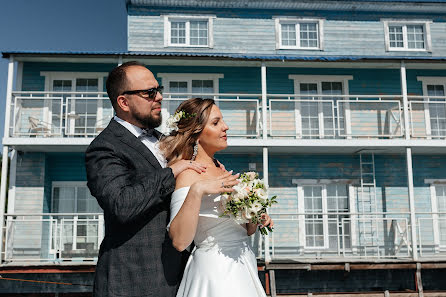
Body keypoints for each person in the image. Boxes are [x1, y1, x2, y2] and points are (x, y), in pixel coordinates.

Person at [85, 61, 208, 297]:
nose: (159, 97)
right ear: (123, 102)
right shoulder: (103, 148)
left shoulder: (166, 141)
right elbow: (121, 204)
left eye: (158, 89)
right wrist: (172, 172)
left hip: (184, 276)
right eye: (150, 93)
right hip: (134, 280)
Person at [159, 97, 274, 297]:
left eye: (222, 120)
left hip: (244, 264)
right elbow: (179, 241)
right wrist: (197, 190)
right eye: (216, 122)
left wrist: (255, 216)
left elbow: (242, 231)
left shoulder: (222, 171)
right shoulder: (189, 174)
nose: (226, 127)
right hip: (215, 272)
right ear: (196, 134)